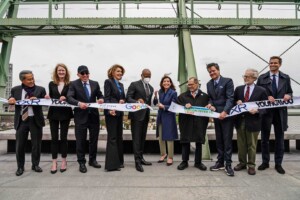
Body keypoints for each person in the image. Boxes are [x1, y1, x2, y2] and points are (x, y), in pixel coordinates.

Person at [257, 56, 293, 174]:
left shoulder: (285, 78)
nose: (272, 64)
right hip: (266, 112)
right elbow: (257, 94)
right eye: (271, 63)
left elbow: (290, 92)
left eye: (275, 63)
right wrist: (266, 97)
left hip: (280, 112)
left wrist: (288, 95)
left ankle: (278, 164)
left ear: (279, 64)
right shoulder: (262, 78)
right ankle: (265, 162)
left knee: (280, 139)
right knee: (264, 139)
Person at [8, 70, 46, 176]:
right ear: (22, 80)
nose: (32, 80)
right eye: (29, 79)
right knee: (20, 145)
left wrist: (38, 100)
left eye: (32, 78)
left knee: (36, 145)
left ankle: (35, 165)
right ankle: (20, 167)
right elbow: (10, 99)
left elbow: (46, 102)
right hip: (21, 121)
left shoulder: (41, 89)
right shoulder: (15, 89)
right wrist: (10, 99)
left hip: (35, 120)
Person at [67, 65, 104, 173]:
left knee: (94, 140)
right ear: (78, 74)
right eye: (82, 73)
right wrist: (78, 103)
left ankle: (92, 160)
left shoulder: (95, 83)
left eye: (87, 73)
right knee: (80, 141)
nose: (85, 75)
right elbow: (69, 98)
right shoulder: (73, 84)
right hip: (80, 117)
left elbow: (100, 95)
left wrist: (101, 99)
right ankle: (81, 162)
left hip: (93, 116)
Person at [233, 69, 268, 175]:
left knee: (252, 145)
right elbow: (233, 102)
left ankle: (251, 165)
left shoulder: (261, 90)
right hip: (240, 121)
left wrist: (257, 111)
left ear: (254, 78)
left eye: (247, 76)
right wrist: (237, 102)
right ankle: (242, 163)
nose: (245, 78)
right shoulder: (238, 89)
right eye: (244, 76)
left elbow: (265, 107)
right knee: (241, 144)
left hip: (253, 121)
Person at [206, 63, 235, 176]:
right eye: (210, 72)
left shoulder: (228, 81)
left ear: (218, 70)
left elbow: (230, 98)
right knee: (219, 139)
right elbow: (210, 98)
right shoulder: (209, 84)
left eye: (213, 70)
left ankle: (228, 164)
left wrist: (225, 111)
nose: (212, 73)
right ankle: (220, 162)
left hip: (226, 116)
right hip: (216, 115)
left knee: (227, 140)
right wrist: (210, 105)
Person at [45, 64, 73, 174]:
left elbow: (72, 97)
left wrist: (66, 97)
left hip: (65, 113)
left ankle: (64, 161)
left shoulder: (70, 84)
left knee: (64, 138)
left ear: (66, 72)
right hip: (53, 113)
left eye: (63, 70)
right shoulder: (51, 84)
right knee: (54, 138)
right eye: (59, 70)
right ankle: (54, 162)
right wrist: (48, 97)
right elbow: (51, 97)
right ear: (56, 72)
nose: (61, 72)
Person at [176, 77, 209, 171]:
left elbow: (209, 107)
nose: (189, 86)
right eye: (188, 84)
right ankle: (184, 161)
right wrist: (183, 106)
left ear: (197, 84)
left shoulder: (205, 96)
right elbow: (175, 107)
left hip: (200, 122)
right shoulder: (182, 96)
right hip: (186, 122)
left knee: (199, 141)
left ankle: (198, 162)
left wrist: (210, 106)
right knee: (185, 141)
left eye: (191, 84)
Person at [126, 68, 154, 172]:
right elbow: (128, 98)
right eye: (146, 75)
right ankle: (137, 162)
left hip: (146, 116)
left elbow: (149, 102)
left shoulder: (150, 87)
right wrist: (137, 101)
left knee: (142, 139)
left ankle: (141, 158)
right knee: (137, 139)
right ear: (141, 75)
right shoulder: (134, 84)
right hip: (136, 116)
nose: (147, 77)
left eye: (149, 76)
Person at [104, 64, 126, 171]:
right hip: (111, 113)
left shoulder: (121, 85)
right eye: (118, 71)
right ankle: (111, 165)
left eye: (121, 72)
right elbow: (107, 98)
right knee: (112, 138)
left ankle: (119, 162)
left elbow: (122, 98)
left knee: (119, 137)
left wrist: (122, 101)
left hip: (119, 113)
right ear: (112, 72)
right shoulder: (108, 82)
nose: (120, 73)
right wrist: (109, 109)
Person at [153, 76, 178, 166]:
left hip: (169, 116)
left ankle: (170, 157)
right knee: (160, 137)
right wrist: (155, 95)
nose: (166, 83)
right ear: (162, 83)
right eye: (164, 81)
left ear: (170, 83)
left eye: (168, 81)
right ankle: (163, 154)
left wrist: (164, 107)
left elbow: (174, 106)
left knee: (169, 137)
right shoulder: (160, 91)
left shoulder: (174, 93)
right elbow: (155, 103)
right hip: (160, 116)